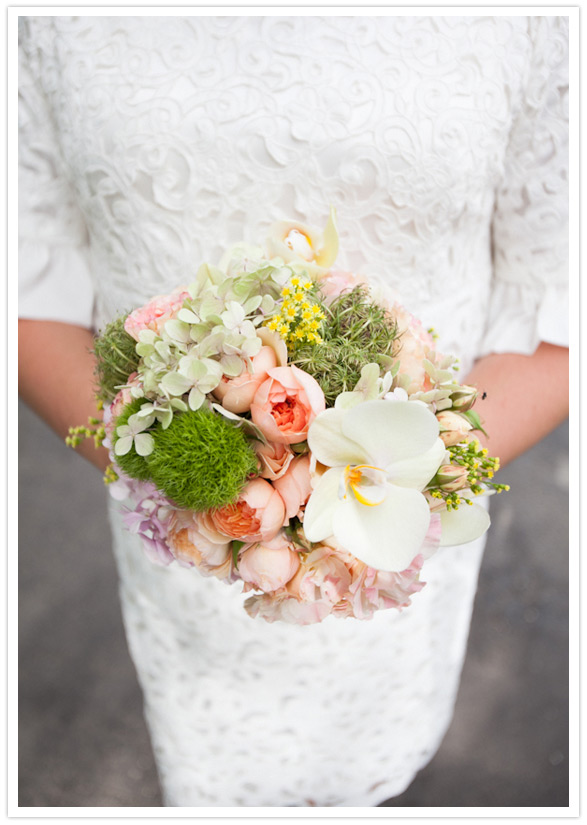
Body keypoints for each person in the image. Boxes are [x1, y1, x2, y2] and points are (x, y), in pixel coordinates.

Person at [18, 15, 569, 807]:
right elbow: (27, 275)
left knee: (379, 738)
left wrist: (376, 489)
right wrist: (177, 479)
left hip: (395, 515)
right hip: (176, 511)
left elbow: (557, 302)